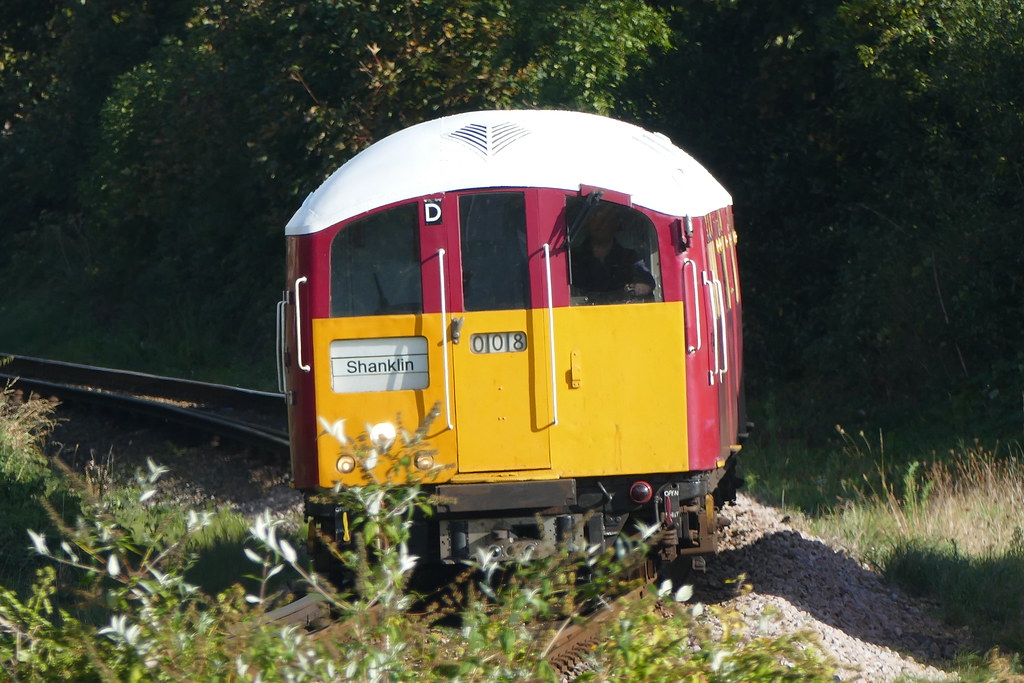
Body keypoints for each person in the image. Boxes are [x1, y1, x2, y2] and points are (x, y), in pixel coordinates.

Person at [570, 206, 656, 304]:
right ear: (589, 224)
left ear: (616, 225)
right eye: (595, 219)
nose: (599, 225)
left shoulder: (628, 257)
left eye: (604, 220)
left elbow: (647, 281)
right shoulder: (573, 257)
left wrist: (643, 285)